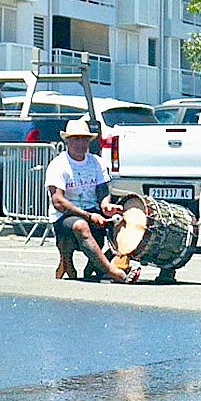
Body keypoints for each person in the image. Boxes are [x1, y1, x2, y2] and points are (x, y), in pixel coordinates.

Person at [46, 118, 135, 282]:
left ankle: (100, 263)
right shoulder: (58, 165)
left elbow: (102, 192)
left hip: (92, 211)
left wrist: (106, 206)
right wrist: (87, 216)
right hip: (65, 217)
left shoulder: (96, 162)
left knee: (122, 220)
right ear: (67, 141)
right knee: (81, 225)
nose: (80, 143)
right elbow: (58, 201)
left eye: (84, 139)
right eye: (76, 139)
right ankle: (114, 272)